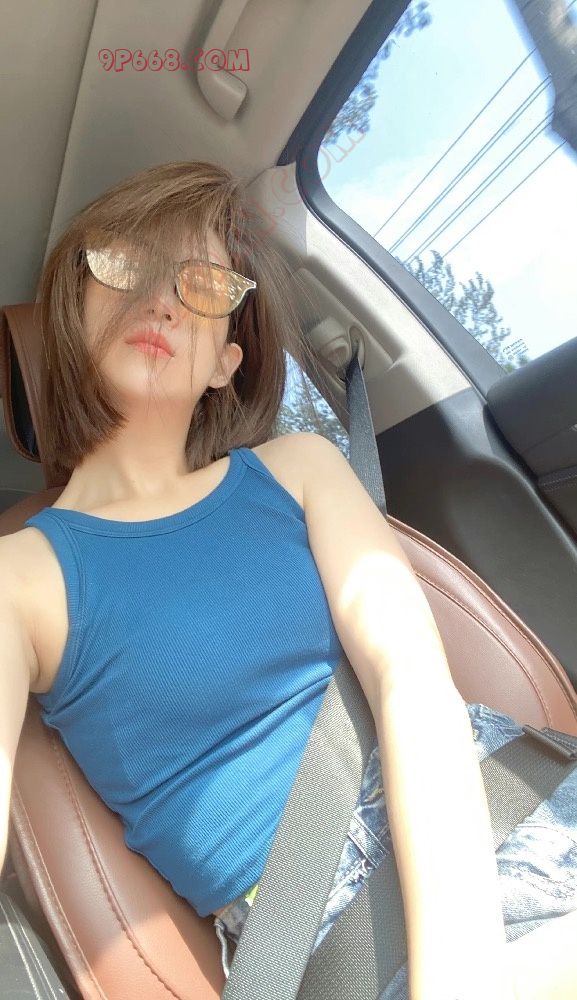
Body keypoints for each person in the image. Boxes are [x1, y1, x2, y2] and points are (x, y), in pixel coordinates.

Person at [1, 159, 577, 1000]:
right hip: (327, 922)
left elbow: (408, 672)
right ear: (71, 310)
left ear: (225, 362)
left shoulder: (298, 468)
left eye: (201, 284)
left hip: (501, 798)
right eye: (125, 266)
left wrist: (461, 968)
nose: (160, 300)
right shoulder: (18, 576)